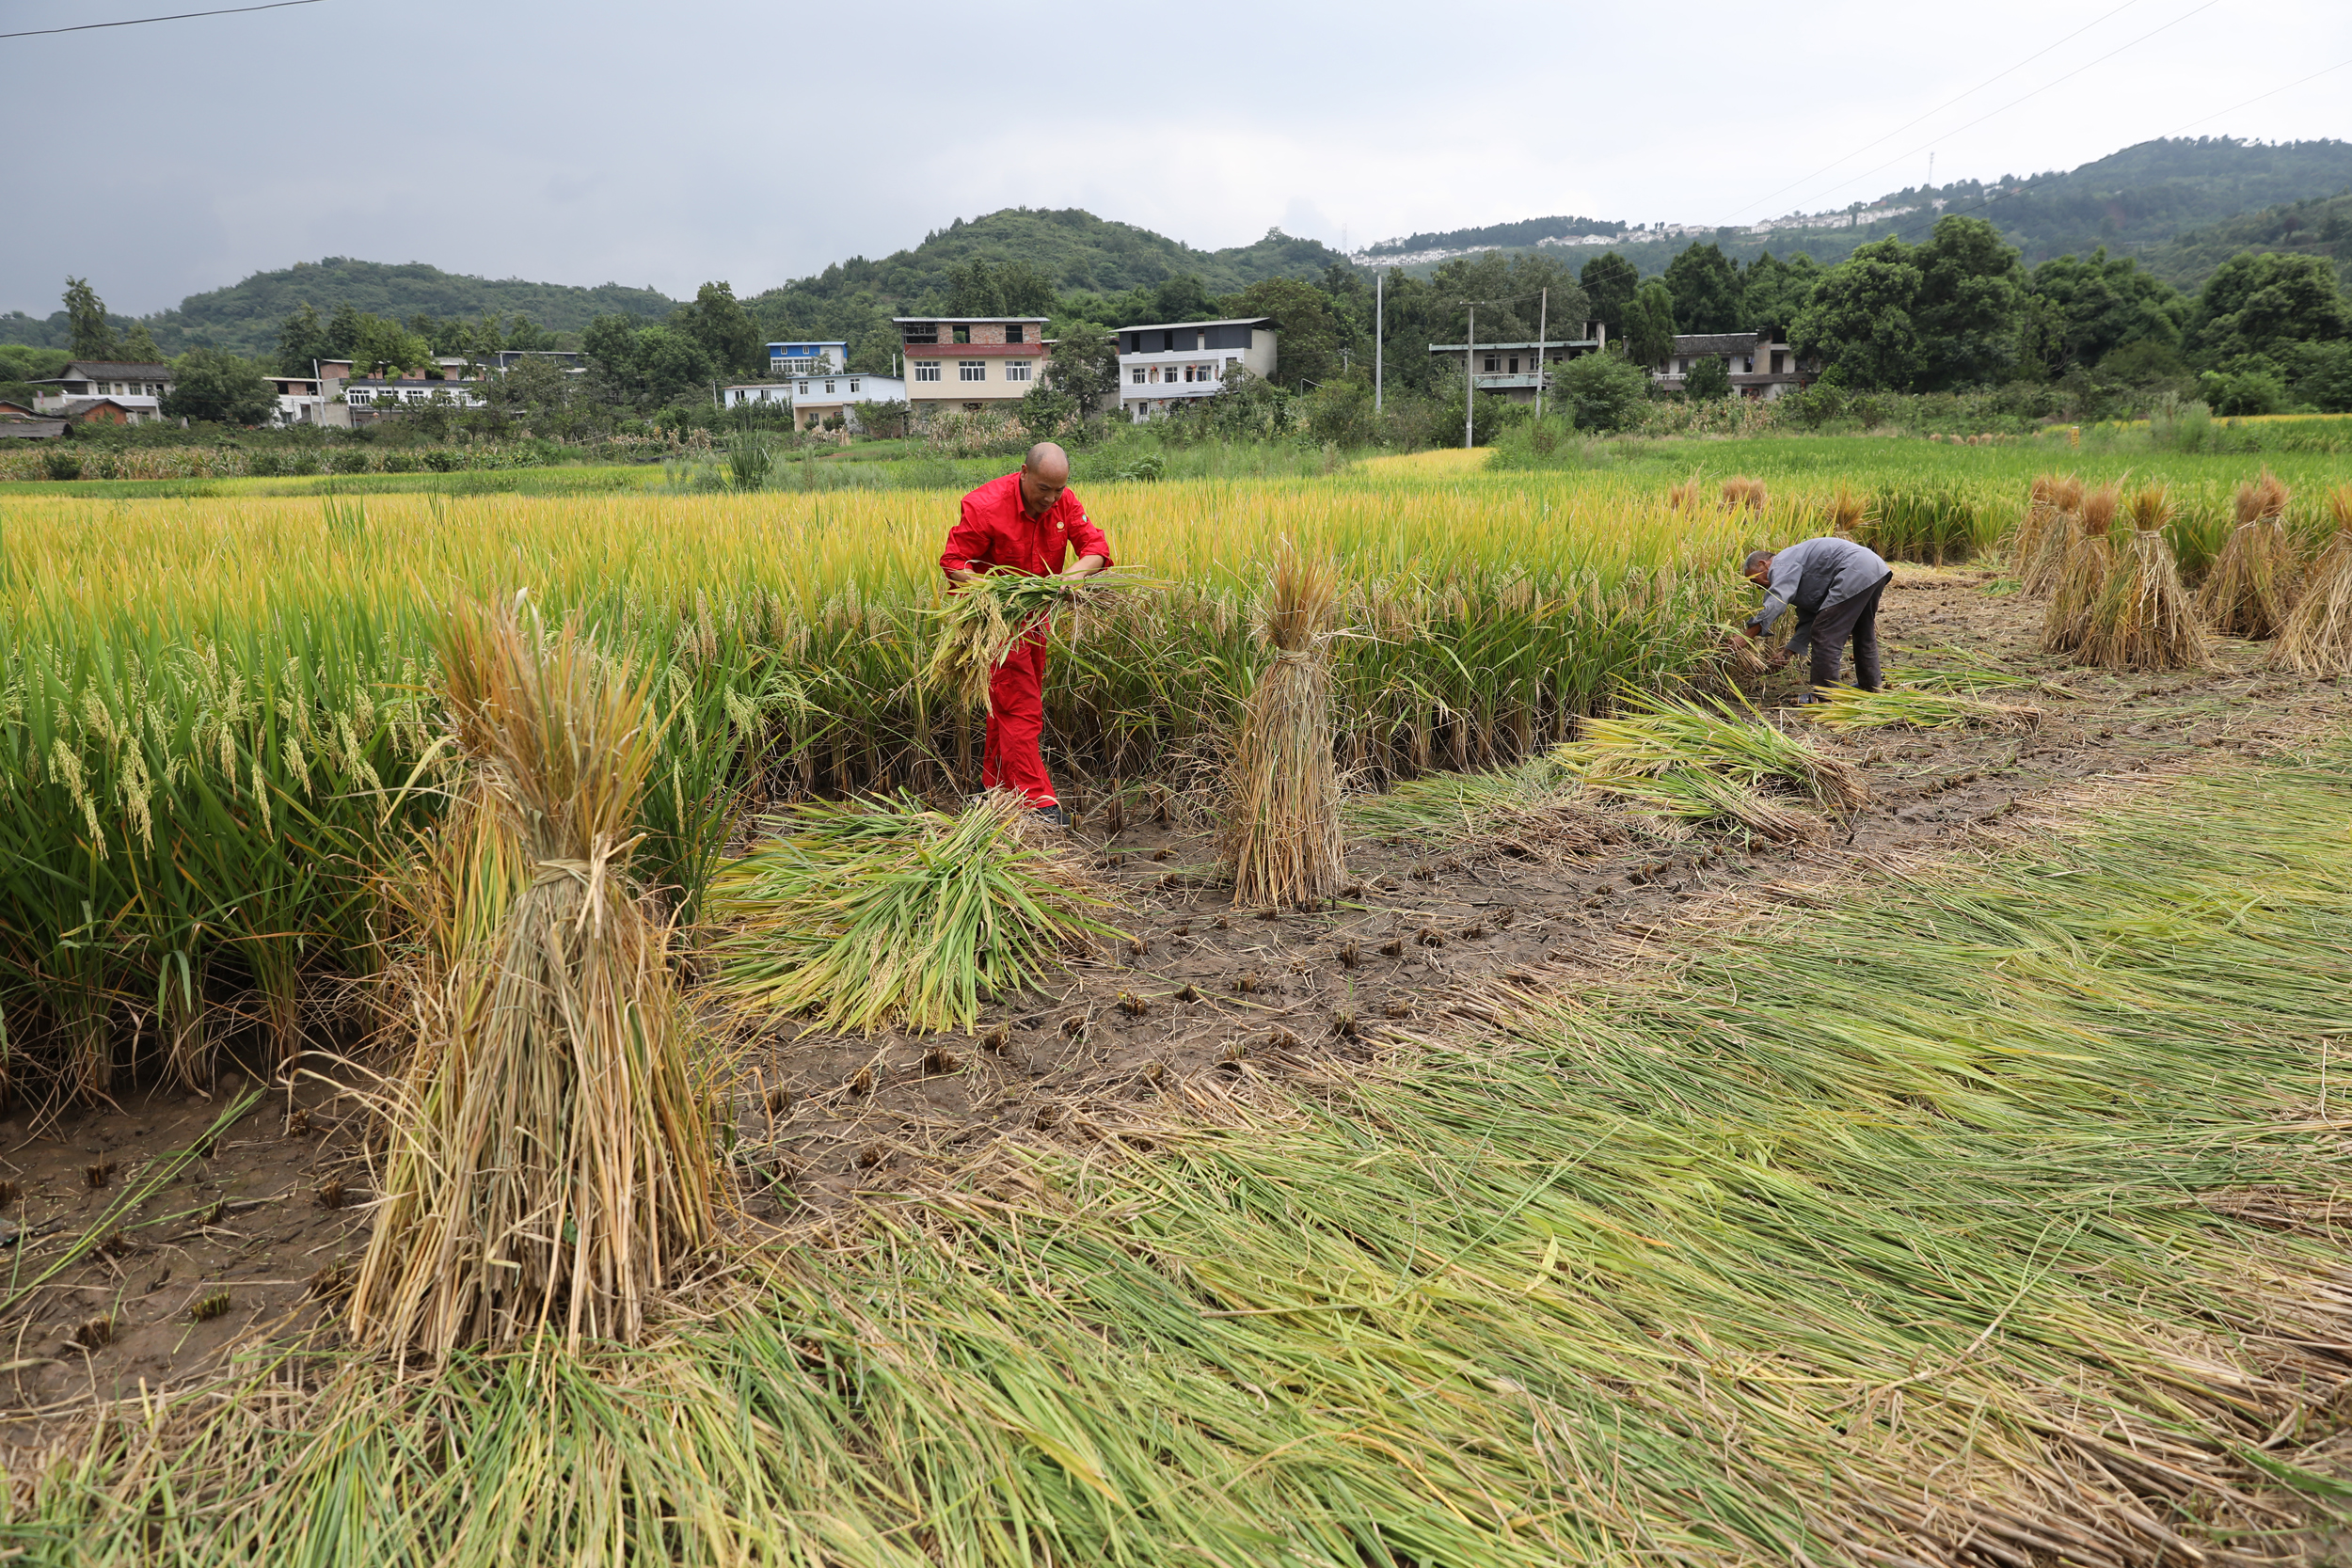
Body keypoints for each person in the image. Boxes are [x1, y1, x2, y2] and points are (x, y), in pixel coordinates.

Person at [940, 441, 1112, 825]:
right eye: (1044, 489)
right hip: (997, 622)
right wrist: (993, 592)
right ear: (1024, 473)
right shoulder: (984, 506)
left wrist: (1072, 576)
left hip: (1036, 621)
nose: (1052, 499)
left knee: (1005, 705)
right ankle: (1036, 802)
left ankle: (995, 790)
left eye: (1059, 490)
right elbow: (953, 562)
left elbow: (1095, 548)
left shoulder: (1063, 502)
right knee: (1021, 707)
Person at [1735, 537, 1894, 697]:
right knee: (1863, 630)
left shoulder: (1782, 563)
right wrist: (1787, 653)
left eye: (1756, 580)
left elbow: (1778, 599)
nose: (1760, 586)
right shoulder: (1797, 573)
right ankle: (1871, 686)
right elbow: (1812, 618)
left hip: (1855, 569)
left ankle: (1824, 696)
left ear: (1763, 564)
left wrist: (1746, 636)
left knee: (1825, 632)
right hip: (1874, 570)